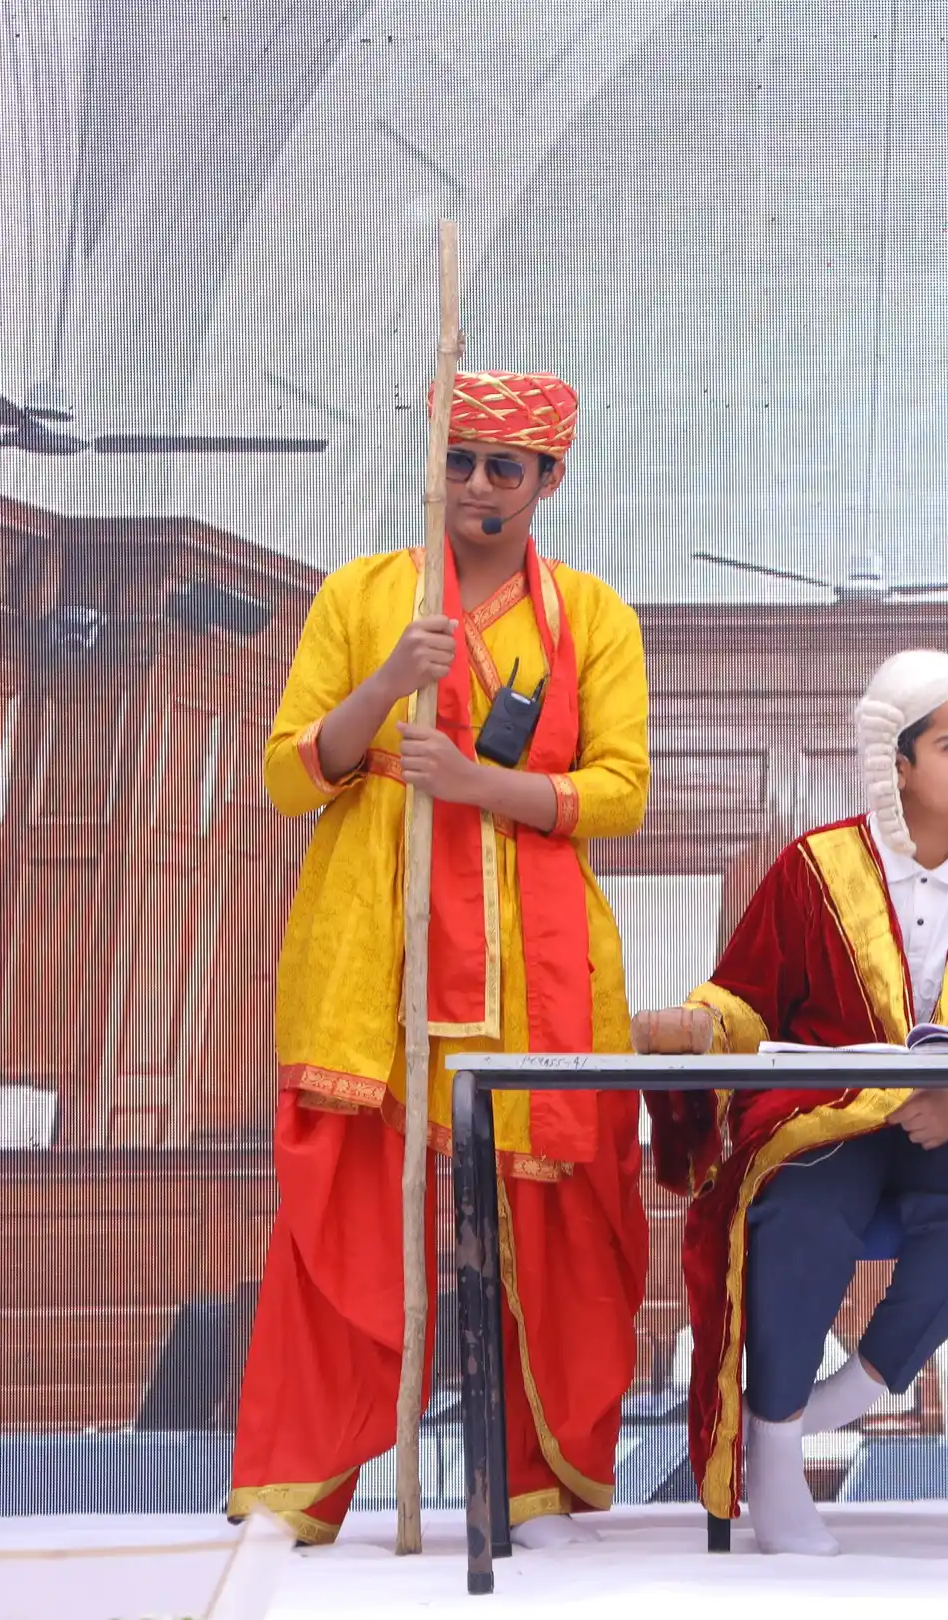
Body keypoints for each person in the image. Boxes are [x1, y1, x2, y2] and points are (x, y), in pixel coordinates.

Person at [228, 371, 651, 1549]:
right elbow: (286, 777)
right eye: (456, 461)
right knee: (342, 1213)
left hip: (536, 953)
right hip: (381, 944)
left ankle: (537, 1485)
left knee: (551, 1220)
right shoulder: (363, 595)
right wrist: (387, 684)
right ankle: (292, 1489)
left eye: (502, 467)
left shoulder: (593, 616)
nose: (475, 486)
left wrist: (476, 784)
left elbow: (621, 792)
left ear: (547, 480)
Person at [633, 650, 948, 1556]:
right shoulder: (814, 868)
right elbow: (748, 999)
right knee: (802, 1205)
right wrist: (702, 1025)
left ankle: (856, 1387)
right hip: (834, 1110)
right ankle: (775, 1445)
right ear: (899, 764)